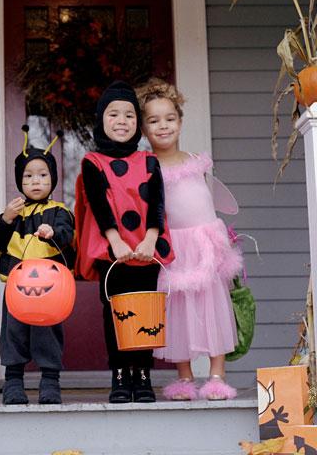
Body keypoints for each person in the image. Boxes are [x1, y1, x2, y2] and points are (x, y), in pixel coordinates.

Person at [137, 78, 242, 401]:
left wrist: (221, 238)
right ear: (143, 129)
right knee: (177, 309)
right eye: (153, 121)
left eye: (170, 119)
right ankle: (184, 377)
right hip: (172, 246)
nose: (163, 126)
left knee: (213, 306)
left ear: (181, 122)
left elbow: (209, 201)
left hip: (205, 243)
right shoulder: (146, 166)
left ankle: (216, 375)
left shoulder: (197, 162)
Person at [74, 80, 175, 403]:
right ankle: (120, 374)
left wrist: (150, 239)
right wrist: (115, 240)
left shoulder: (148, 161)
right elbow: (98, 203)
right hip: (113, 250)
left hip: (145, 248)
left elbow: (157, 202)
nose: (122, 121)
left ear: (137, 124)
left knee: (145, 311)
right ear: (101, 120)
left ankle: (143, 374)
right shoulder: (93, 162)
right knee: (116, 312)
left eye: (129, 115)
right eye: (114, 114)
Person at [0, 128, 75, 405]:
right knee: (13, 332)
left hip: (50, 287)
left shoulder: (60, 211)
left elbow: (68, 235)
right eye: (28, 176)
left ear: (52, 179)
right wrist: (5, 219)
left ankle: (50, 381)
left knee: (47, 331)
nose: (35, 181)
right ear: (19, 180)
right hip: (17, 284)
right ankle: (14, 381)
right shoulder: (14, 211)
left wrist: (54, 233)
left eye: (42, 175)